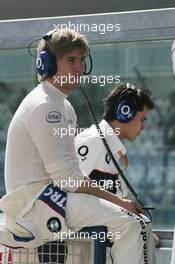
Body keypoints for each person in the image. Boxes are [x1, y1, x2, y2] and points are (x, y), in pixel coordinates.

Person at [0, 29, 156, 264]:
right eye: (71, 60)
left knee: (133, 223)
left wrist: (117, 203)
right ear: (48, 65)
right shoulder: (46, 105)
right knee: (130, 224)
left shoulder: (62, 106)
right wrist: (119, 202)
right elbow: (68, 179)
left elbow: (73, 174)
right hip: (33, 205)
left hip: (49, 198)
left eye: (82, 60)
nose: (80, 68)